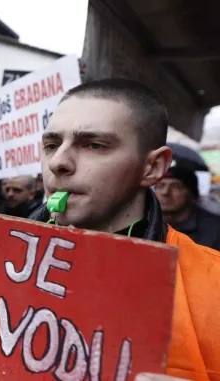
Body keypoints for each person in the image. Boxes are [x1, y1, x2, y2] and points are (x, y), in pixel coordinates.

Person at [28, 78, 219, 379]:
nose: (58, 162)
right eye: (51, 145)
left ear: (152, 167)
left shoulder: (213, 286)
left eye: (94, 145)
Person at [156, 159, 220, 250]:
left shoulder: (215, 231)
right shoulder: (149, 223)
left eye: (175, 186)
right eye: (161, 186)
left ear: (192, 195)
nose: (165, 192)